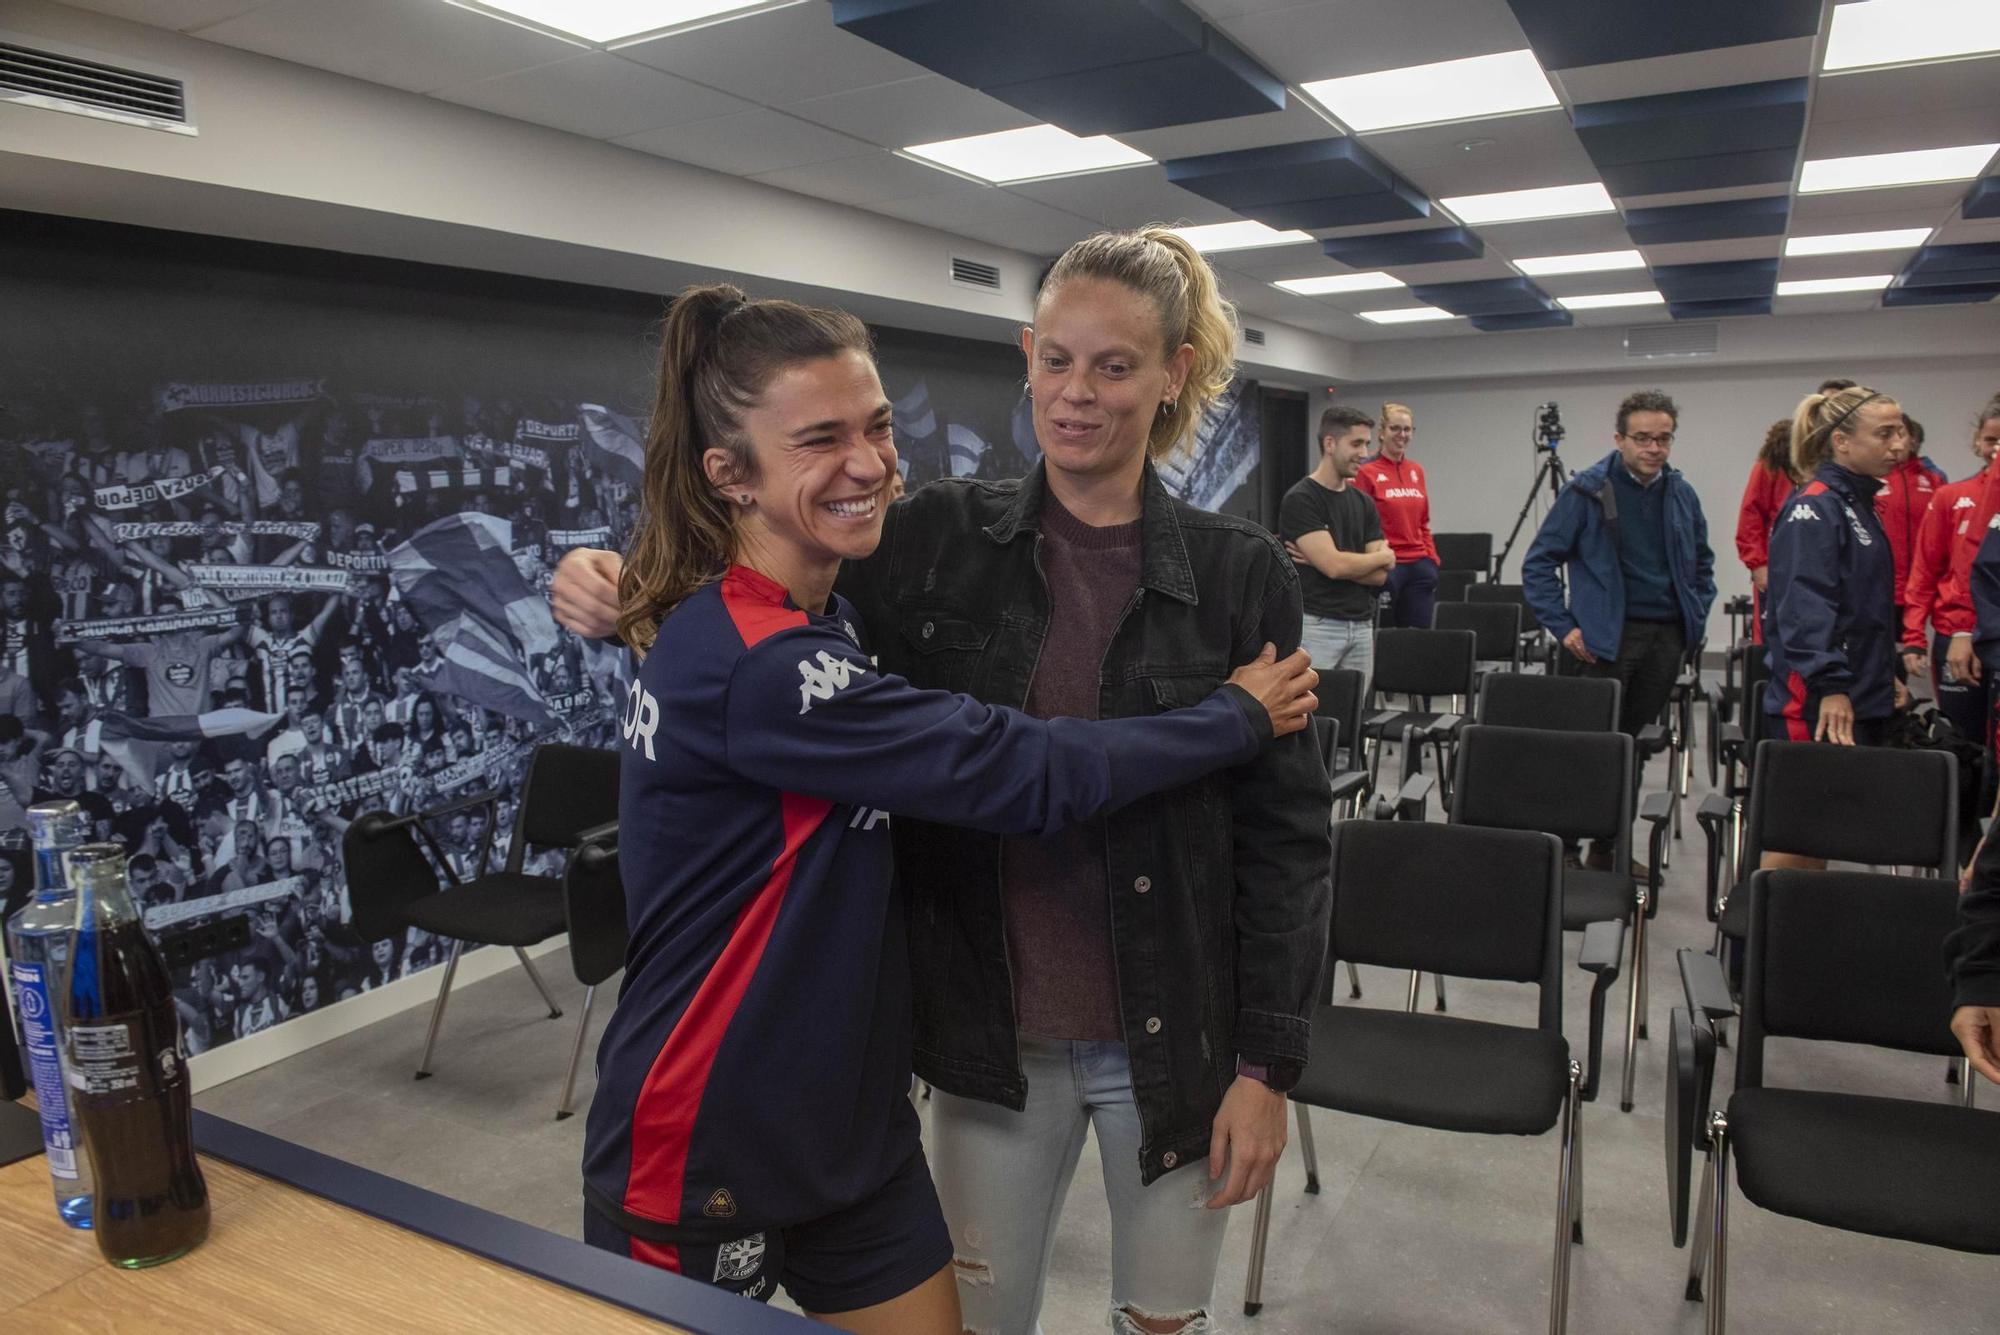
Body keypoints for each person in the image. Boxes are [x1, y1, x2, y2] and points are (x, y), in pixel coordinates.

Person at [555, 229, 1333, 1335]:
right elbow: (993, 753)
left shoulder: (1237, 570)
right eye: (1055, 359)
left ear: (1173, 373)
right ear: (1026, 357)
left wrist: (1268, 1061)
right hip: (964, 1044)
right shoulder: (929, 544)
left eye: (1113, 366)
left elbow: (1286, 840)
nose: (1076, 392)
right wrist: (620, 583)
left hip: (1145, 1037)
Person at [1522, 390, 1717, 750]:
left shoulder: (1681, 494)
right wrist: (1563, 626)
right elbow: (1538, 563)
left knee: (1633, 744)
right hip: (1604, 641)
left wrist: (1695, 615)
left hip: (1665, 640)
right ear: (1620, 439)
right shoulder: (1586, 492)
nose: (1654, 448)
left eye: (1663, 438)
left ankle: (1627, 790)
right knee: (1592, 746)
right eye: (1642, 438)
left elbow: (1702, 564)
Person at [1763, 385, 1904, 749]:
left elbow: (1864, 609)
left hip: (1863, 695)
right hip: (1819, 704)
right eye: (1884, 434)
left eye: (1900, 432)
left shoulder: (1858, 504)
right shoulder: (1815, 506)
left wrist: (1885, 676)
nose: (1898, 445)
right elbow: (1804, 608)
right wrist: (1829, 686)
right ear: (1841, 441)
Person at [1899, 403, 2000, 740]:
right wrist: (1914, 637)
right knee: (1961, 739)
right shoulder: (1950, 496)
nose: (1996, 448)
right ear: (1977, 441)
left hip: (1991, 631)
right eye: (1991, 439)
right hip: (1957, 635)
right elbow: (1925, 569)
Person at [1280, 404, 1392, 691]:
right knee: (1313, 713)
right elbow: (1335, 567)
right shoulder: (1301, 499)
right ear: (1330, 443)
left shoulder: (1364, 502)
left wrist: (1333, 561)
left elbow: (1380, 576)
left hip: (1362, 626)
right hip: (1319, 626)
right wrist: (1381, 557)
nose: (1364, 453)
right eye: (1356, 443)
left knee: (1355, 712)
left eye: (1366, 444)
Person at [1354, 401, 1440, 628]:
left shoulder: (1416, 470)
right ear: (1382, 432)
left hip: (1419, 567)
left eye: (1407, 429)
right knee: (1386, 638)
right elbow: (1359, 525)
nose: (1402, 435)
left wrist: (1432, 560)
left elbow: (1423, 522)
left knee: (1418, 638)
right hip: (1388, 566)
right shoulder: (1366, 472)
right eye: (1395, 428)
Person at [1733, 418, 1794, 643]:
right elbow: (1751, 515)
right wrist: (1757, 564)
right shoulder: (1773, 463)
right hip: (1776, 569)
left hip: (1811, 569)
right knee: (1771, 640)